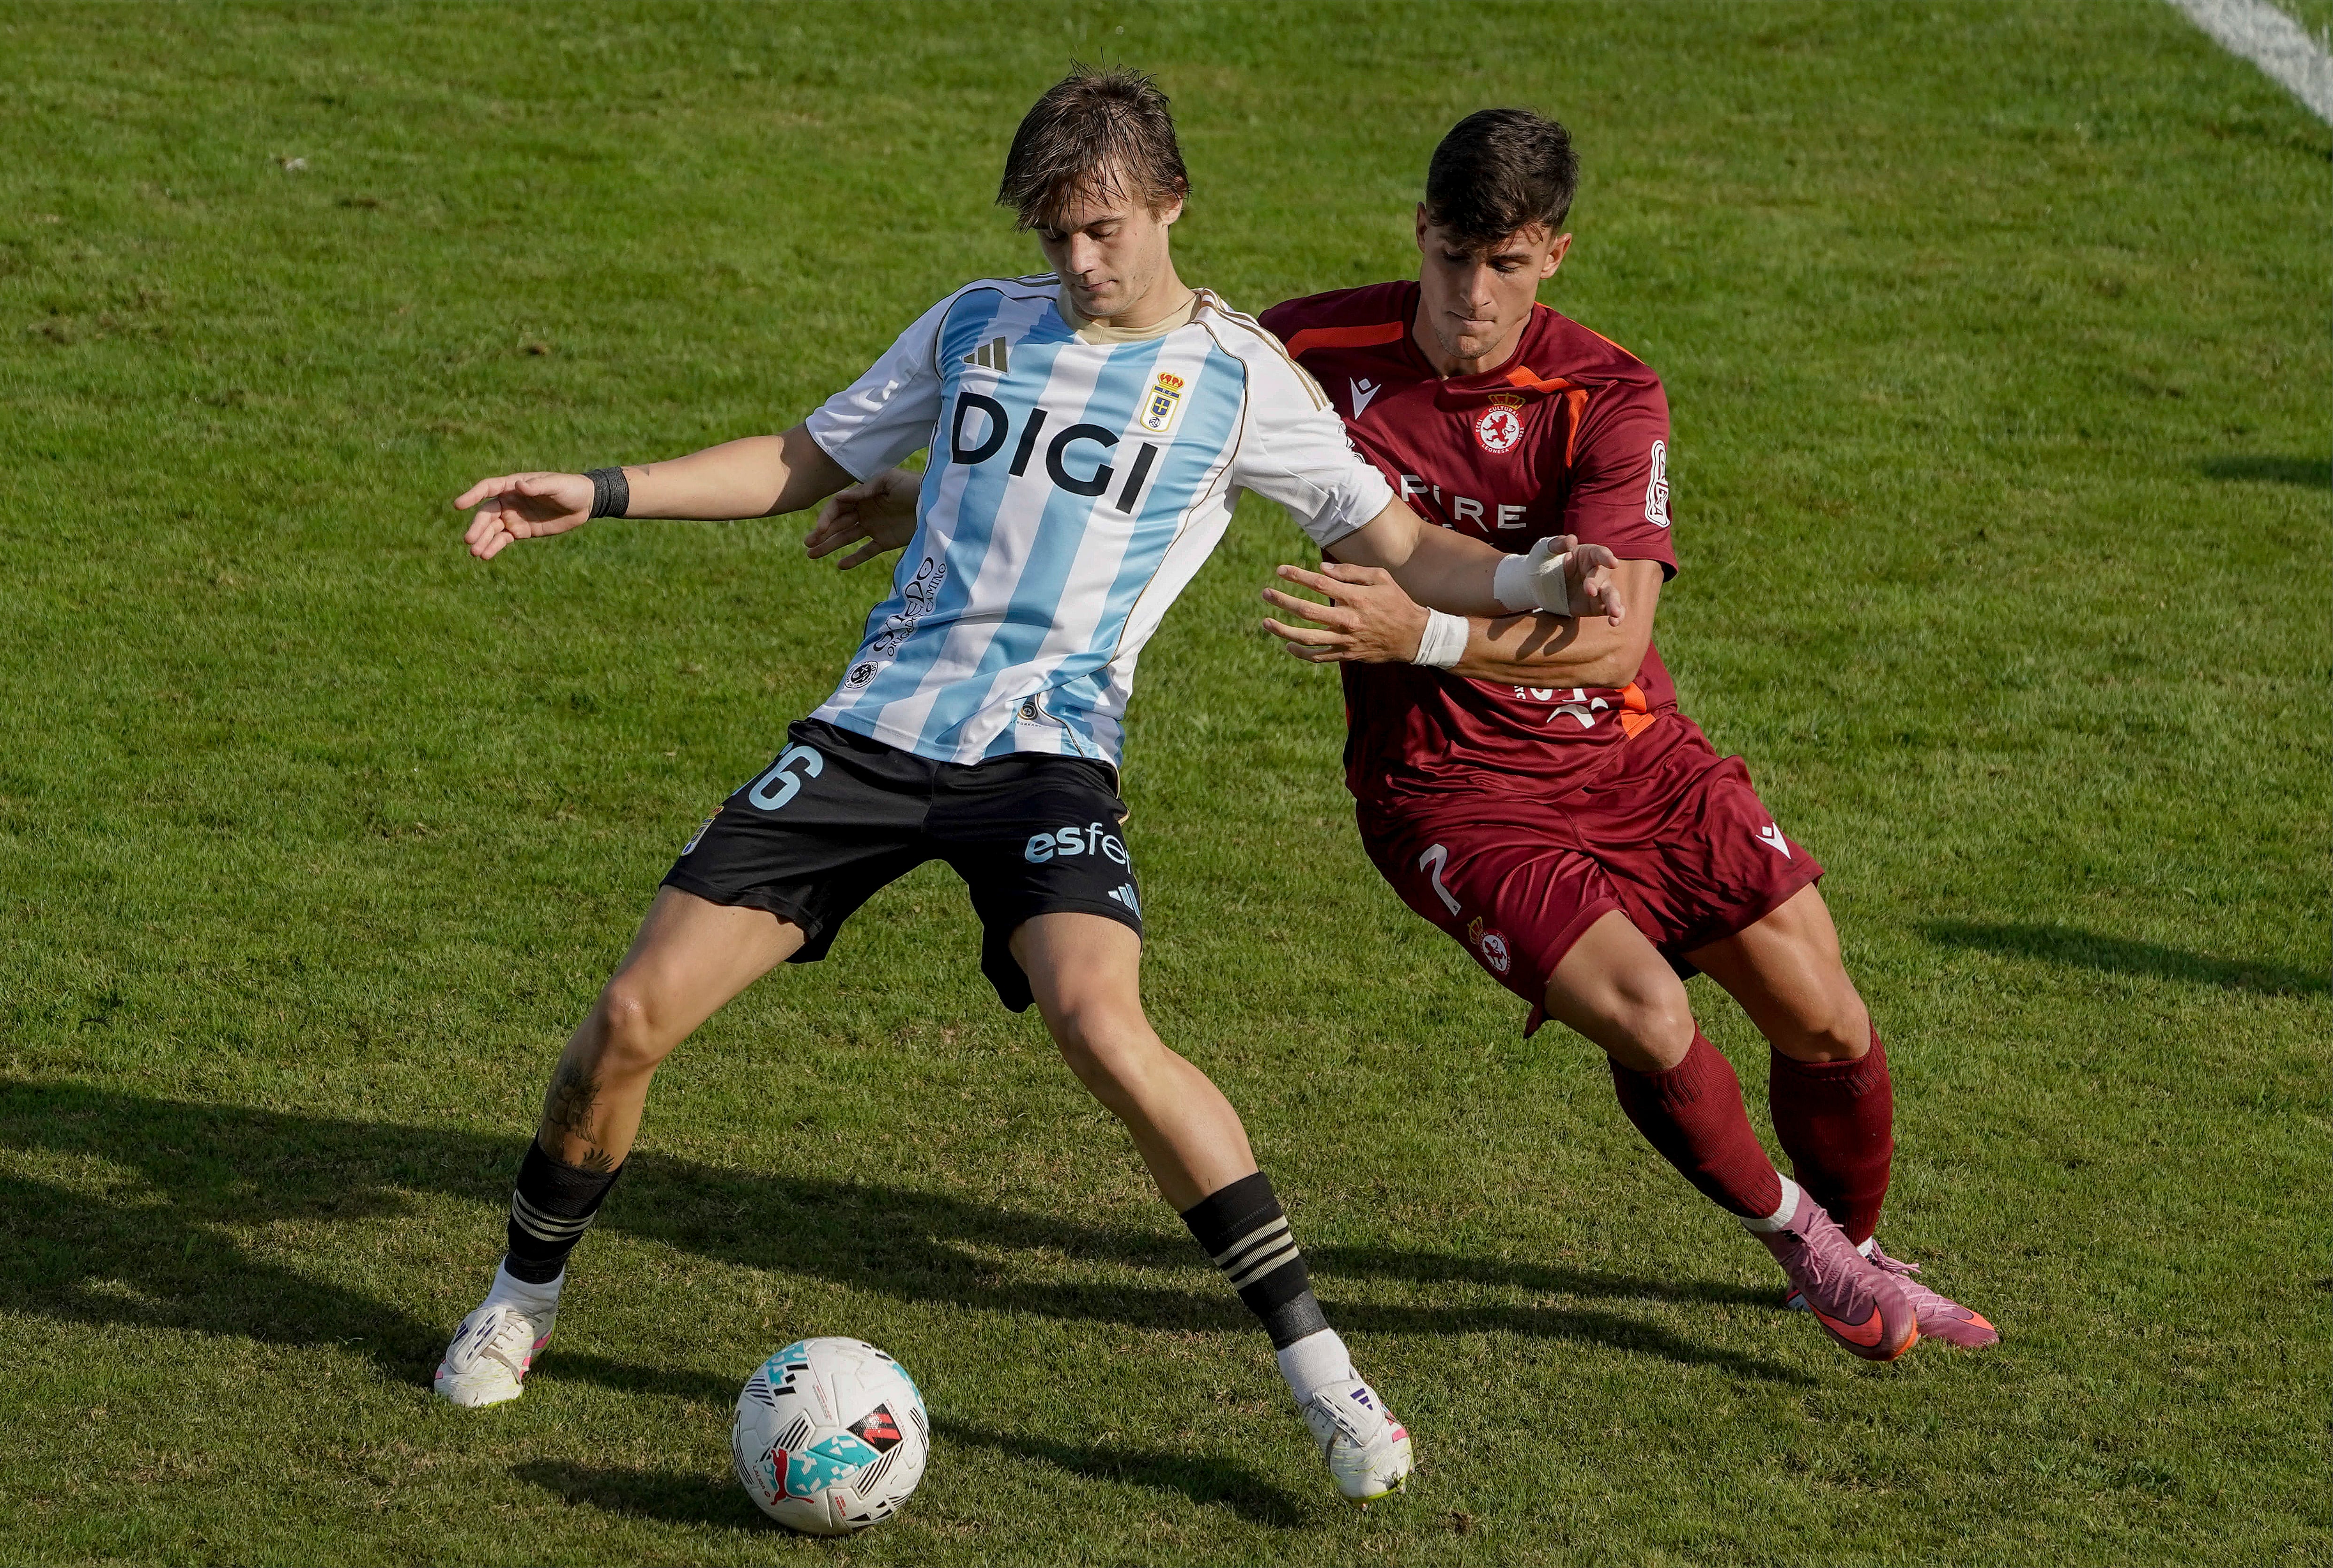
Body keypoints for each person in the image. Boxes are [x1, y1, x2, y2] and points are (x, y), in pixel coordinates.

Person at [433, 69, 1623, 1503]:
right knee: (628, 1016)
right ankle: (522, 1296)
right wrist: (601, 489)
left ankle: (1321, 1373)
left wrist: (1545, 570)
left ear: (1172, 203)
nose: (1077, 263)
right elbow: (805, 462)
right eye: (1056, 234)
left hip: (1048, 755)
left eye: (1104, 230)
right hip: (873, 736)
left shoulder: (1244, 381)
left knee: (1104, 1027)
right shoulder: (978, 326)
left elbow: (1411, 548)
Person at [826, 110, 1993, 1361]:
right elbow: (1137, 407)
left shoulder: (1608, 393)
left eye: (1508, 266)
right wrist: (940, 491)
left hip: (1634, 752)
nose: (1473, 297)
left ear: (1555, 254)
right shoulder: (1311, 346)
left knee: (1827, 1018)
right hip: (1449, 785)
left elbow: (1610, 644)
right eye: (1454, 259)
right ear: (1421, 231)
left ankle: (1852, 1252)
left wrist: (1421, 635)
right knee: (1650, 1015)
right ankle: (1799, 1243)